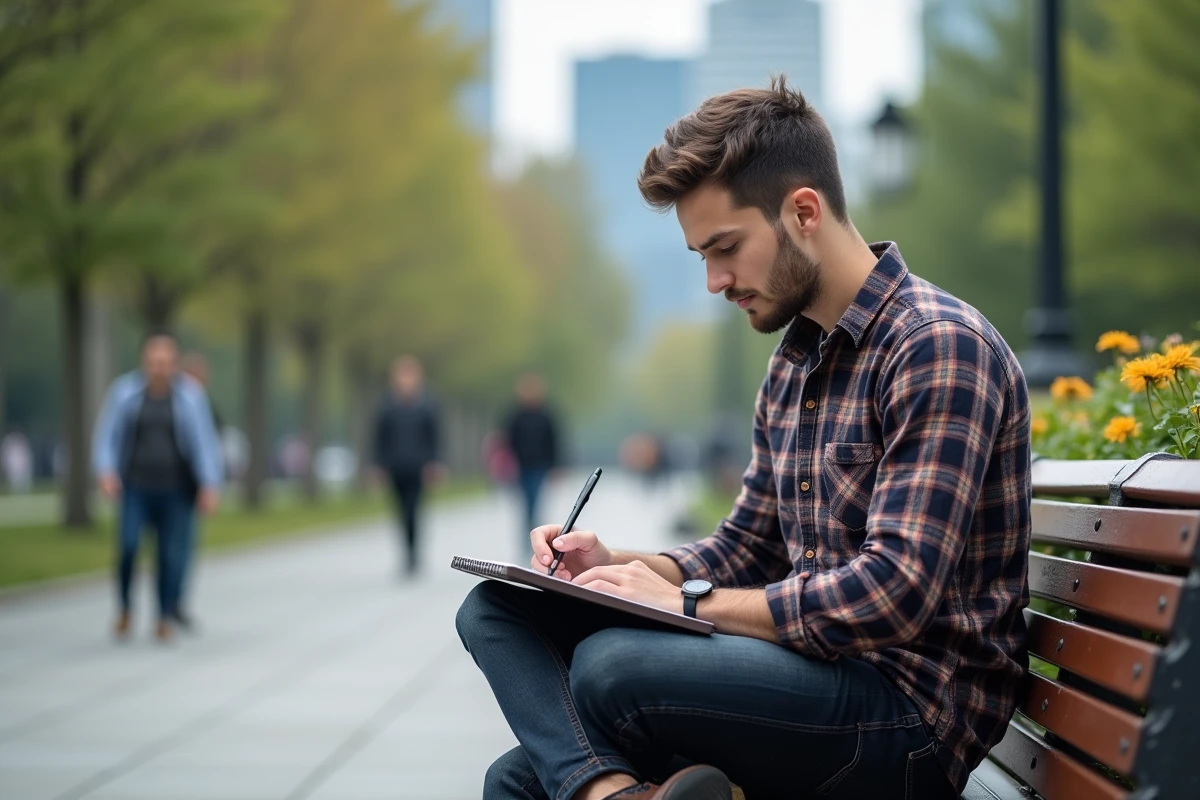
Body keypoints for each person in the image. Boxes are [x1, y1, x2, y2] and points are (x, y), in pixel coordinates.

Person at [456, 77, 1031, 800]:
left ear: (803, 211)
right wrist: (617, 564)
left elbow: (895, 594)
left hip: (907, 720)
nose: (713, 281)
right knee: (500, 632)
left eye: (725, 248)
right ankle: (610, 796)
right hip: (813, 679)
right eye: (701, 255)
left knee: (609, 672)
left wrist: (686, 605)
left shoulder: (935, 347)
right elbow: (746, 550)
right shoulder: (795, 365)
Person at [93, 333, 223, 642]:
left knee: (170, 554)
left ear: (174, 363)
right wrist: (106, 471)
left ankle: (164, 616)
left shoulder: (190, 396)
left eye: (165, 362)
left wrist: (210, 484)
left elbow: (204, 442)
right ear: (145, 361)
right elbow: (107, 435)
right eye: (154, 361)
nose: (159, 367)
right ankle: (125, 608)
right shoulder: (125, 392)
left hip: (175, 489)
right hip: (136, 486)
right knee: (128, 546)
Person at [373, 355, 443, 576]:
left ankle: (413, 553)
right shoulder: (387, 406)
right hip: (395, 467)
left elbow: (434, 437)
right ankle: (406, 551)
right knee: (400, 512)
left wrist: (433, 463)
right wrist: (379, 465)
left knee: (414, 510)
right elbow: (380, 438)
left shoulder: (426, 406)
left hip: (418, 467)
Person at [175, 352, 225, 631]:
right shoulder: (175, 401)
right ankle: (170, 604)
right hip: (166, 482)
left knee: (182, 547)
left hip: (189, 488)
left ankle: (175, 603)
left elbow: (211, 445)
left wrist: (210, 484)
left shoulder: (202, 404)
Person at [503, 373, 560, 557]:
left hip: (540, 465)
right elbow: (508, 440)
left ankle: (535, 533)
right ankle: (530, 534)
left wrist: (555, 465)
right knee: (525, 502)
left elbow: (554, 441)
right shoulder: (516, 415)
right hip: (521, 466)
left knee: (535, 500)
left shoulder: (546, 415)